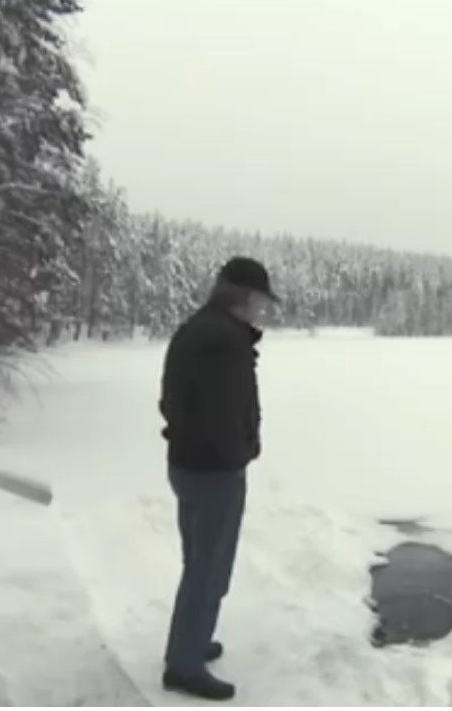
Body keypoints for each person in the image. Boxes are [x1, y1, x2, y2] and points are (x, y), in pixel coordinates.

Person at [157, 256, 277, 701]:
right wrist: (240, 452)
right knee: (208, 570)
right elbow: (226, 414)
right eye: (260, 300)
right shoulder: (223, 342)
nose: (262, 310)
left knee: (200, 564)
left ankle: (192, 640)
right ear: (243, 297)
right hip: (213, 473)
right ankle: (184, 664)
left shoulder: (199, 329)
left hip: (188, 465)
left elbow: (172, 402)